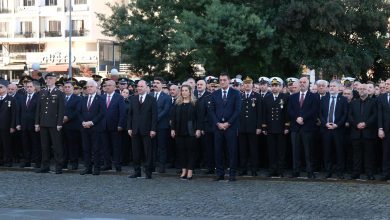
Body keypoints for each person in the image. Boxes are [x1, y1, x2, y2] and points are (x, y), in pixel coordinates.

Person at [209, 73, 242, 181]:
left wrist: (228, 123)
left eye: (224, 80)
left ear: (229, 81)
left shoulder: (236, 93)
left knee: (232, 151)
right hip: (218, 127)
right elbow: (211, 110)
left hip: (231, 127)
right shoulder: (215, 94)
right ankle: (220, 173)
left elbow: (237, 110)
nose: (222, 82)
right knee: (218, 151)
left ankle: (232, 174)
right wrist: (218, 123)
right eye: (220, 80)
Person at [288, 77, 320, 179]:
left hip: (308, 127)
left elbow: (314, 110)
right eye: (300, 82)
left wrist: (303, 118)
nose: (302, 84)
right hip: (295, 127)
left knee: (308, 151)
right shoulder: (293, 96)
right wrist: (297, 117)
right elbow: (290, 110)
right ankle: (295, 171)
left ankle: (310, 171)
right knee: (295, 151)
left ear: (308, 84)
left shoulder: (314, 97)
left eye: (304, 82)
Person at [35, 73, 65, 174]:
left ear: (55, 80)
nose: (48, 80)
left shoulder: (59, 92)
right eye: (47, 79)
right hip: (43, 123)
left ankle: (58, 166)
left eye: (51, 78)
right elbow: (38, 109)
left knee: (57, 146)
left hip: (54, 123)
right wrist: (37, 123)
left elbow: (61, 109)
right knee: (44, 146)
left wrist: (59, 123)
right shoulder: (42, 92)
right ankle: (45, 166)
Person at [128, 80, 157, 179]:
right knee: (135, 152)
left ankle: (148, 172)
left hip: (147, 130)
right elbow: (130, 115)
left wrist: (153, 129)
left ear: (146, 87)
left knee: (147, 153)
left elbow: (154, 116)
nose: (139, 88)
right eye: (138, 86)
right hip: (135, 130)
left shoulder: (152, 99)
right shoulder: (133, 99)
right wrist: (129, 127)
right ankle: (137, 172)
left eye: (141, 86)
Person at [171, 84, 201, 180]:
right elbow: (173, 118)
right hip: (179, 131)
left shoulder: (195, 103)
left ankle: (190, 170)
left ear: (190, 92)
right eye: (182, 90)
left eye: (186, 90)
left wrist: (198, 129)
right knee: (181, 151)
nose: (184, 92)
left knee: (191, 151)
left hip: (191, 131)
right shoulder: (177, 103)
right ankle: (184, 170)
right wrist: (172, 129)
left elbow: (199, 118)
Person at [320, 80, 348, 179]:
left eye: (333, 86)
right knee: (327, 151)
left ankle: (340, 172)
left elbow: (345, 115)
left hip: (338, 130)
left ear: (338, 88)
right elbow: (320, 114)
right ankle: (328, 171)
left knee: (339, 151)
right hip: (326, 129)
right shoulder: (324, 98)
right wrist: (325, 123)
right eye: (330, 86)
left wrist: (337, 125)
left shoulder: (343, 99)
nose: (331, 88)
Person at [348, 84, 377, 180]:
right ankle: (356, 172)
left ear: (367, 90)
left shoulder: (373, 102)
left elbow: (375, 115)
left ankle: (369, 173)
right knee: (356, 155)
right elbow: (350, 116)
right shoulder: (353, 103)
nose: (362, 90)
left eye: (364, 89)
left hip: (368, 132)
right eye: (360, 89)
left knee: (369, 154)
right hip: (356, 132)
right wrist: (357, 124)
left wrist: (365, 124)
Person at [262, 77, 289, 177]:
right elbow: (264, 113)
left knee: (281, 150)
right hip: (270, 128)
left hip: (281, 128)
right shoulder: (267, 98)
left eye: (276, 86)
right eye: (272, 86)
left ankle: (280, 170)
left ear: (281, 87)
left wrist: (287, 126)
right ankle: (272, 169)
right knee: (271, 150)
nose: (274, 88)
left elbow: (287, 113)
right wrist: (264, 127)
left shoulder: (285, 97)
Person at [79, 80, 106, 175]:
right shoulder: (83, 99)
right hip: (84, 128)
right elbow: (79, 112)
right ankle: (88, 168)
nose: (89, 88)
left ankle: (96, 168)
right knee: (86, 149)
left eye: (91, 86)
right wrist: (83, 122)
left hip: (96, 128)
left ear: (96, 88)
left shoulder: (101, 99)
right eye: (87, 87)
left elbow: (102, 113)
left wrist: (92, 122)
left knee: (96, 149)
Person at [238, 77, 262, 176]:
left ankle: (254, 169)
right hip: (242, 127)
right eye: (245, 83)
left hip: (253, 128)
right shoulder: (240, 96)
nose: (247, 85)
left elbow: (260, 113)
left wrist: (259, 126)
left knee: (253, 149)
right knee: (242, 150)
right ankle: (243, 169)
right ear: (243, 85)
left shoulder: (257, 96)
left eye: (249, 83)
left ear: (252, 85)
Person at [101, 80, 126, 172]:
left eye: (110, 85)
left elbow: (122, 112)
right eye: (106, 85)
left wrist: (120, 124)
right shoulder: (102, 97)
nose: (107, 87)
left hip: (115, 126)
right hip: (104, 126)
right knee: (105, 146)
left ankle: (117, 164)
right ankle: (107, 164)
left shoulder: (119, 97)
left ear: (115, 87)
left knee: (116, 146)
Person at [16, 80, 41, 168]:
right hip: (23, 125)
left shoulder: (38, 97)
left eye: (31, 87)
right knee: (25, 144)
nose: (29, 88)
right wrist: (18, 123)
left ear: (34, 88)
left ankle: (37, 162)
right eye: (27, 87)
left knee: (36, 144)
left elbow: (39, 112)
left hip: (34, 125)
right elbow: (18, 111)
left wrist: (38, 123)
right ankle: (27, 161)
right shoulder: (22, 97)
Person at [152, 77, 172, 173]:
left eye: (157, 83)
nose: (155, 84)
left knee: (162, 147)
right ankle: (151, 165)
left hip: (162, 126)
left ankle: (161, 166)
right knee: (152, 146)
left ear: (162, 85)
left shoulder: (167, 97)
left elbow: (165, 111)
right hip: (151, 126)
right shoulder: (150, 95)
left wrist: (154, 119)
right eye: (154, 83)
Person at [196, 80, 214, 174]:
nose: (199, 86)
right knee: (204, 148)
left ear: (205, 86)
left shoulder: (209, 95)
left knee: (212, 148)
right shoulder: (196, 95)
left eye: (201, 84)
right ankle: (206, 165)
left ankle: (212, 166)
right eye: (198, 84)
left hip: (212, 126)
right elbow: (199, 114)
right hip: (202, 126)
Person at [62, 81, 82, 170]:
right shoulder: (60, 98)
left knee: (73, 145)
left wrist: (68, 117)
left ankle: (74, 163)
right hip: (61, 125)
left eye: (68, 87)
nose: (67, 88)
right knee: (63, 146)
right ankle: (64, 163)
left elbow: (77, 111)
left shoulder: (78, 99)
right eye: (65, 87)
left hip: (73, 126)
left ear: (73, 89)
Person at [0, 79, 17, 167]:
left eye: (1, 87)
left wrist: (12, 126)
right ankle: (1, 160)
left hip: (6, 126)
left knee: (7, 144)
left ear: (6, 88)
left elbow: (14, 114)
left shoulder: (11, 99)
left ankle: (8, 160)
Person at [376, 78, 390, 181]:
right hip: (386, 130)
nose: (386, 85)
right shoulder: (382, 97)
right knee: (386, 153)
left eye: (388, 84)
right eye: (386, 84)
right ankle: (385, 173)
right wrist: (380, 128)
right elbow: (379, 114)